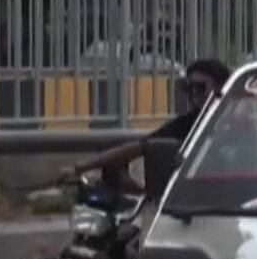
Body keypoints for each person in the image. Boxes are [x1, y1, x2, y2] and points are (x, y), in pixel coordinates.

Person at [70, 58, 231, 180]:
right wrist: (83, 166)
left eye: (200, 88)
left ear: (221, 88)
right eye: (189, 88)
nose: (194, 95)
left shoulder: (245, 121)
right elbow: (141, 147)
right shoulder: (189, 124)